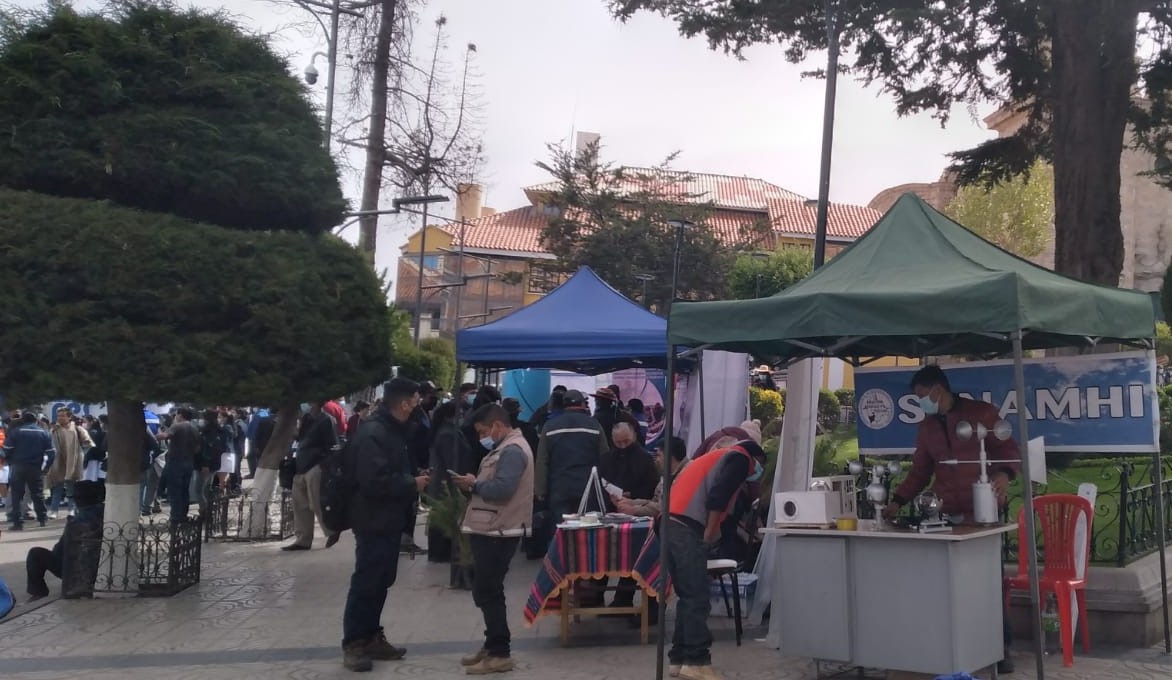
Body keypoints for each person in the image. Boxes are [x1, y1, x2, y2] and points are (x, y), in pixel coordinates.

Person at [883, 364, 1018, 674]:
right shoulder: (928, 427)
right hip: (944, 515)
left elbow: (1008, 448)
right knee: (947, 586)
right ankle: (951, 645)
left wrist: (1004, 475)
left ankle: (1001, 648)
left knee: (987, 584)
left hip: (982, 513)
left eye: (921, 397)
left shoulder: (981, 414)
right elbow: (920, 470)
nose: (920, 403)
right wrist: (897, 501)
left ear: (937, 391)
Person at [341, 378, 430, 673]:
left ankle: (371, 636)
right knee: (367, 581)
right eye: (416, 399)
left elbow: (390, 470)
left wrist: (412, 474)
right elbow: (373, 480)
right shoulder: (374, 433)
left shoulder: (394, 431)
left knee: (381, 581)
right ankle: (354, 642)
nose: (419, 404)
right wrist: (411, 483)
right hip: (373, 520)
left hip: (389, 519)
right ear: (404, 403)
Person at [665, 439, 767, 680]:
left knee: (688, 596)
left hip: (671, 522)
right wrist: (710, 531)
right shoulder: (741, 457)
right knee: (698, 596)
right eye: (760, 466)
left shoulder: (715, 458)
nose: (757, 473)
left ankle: (679, 659)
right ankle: (696, 661)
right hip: (687, 524)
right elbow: (717, 496)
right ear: (756, 458)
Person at [451, 403, 534, 675]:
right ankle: (492, 644)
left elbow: (503, 489)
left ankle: (500, 652)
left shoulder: (511, 451)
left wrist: (474, 484)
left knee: (489, 590)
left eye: (483, 431)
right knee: (487, 589)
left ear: (497, 425)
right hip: (492, 528)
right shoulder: (504, 448)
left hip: (500, 530)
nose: (481, 437)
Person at [26, 480, 105, 601]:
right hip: (98, 567)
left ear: (79, 500)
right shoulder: (105, 513)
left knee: (35, 553)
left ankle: (38, 592)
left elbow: (63, 549)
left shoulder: (79, 520)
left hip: (72, 567)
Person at [284, 402, 340, 551]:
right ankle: (303, 539)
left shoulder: (326, 420)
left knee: (317, 503)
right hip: (300, 467)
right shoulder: (306, 419)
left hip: (315, 466)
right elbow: (299, 439)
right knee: (300, 506)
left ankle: (332, 530)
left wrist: (325, 467)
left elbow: (333, 446)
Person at [2, 412, 54, 530]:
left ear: (23, 420)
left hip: (18, 467)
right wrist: (46, 467)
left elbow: (6, 450)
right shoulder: (43, 433)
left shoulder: (16, 432)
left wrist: (10, 460)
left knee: (17, 495)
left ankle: (18, 523)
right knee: (37, 494)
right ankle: (42, 519)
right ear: (36, 420)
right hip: (35, 468)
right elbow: (51, 453)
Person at [157, 408, 201, 524]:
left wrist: (158, 434)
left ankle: (175, 517)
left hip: (176, 461)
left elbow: (165, 436)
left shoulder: (177, 426)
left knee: (174, 490)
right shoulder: (194, 428)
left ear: (180, 415)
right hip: (189, 462)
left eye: (176, 414)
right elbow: (197, 448)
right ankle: (183, 515)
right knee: (184, 490)